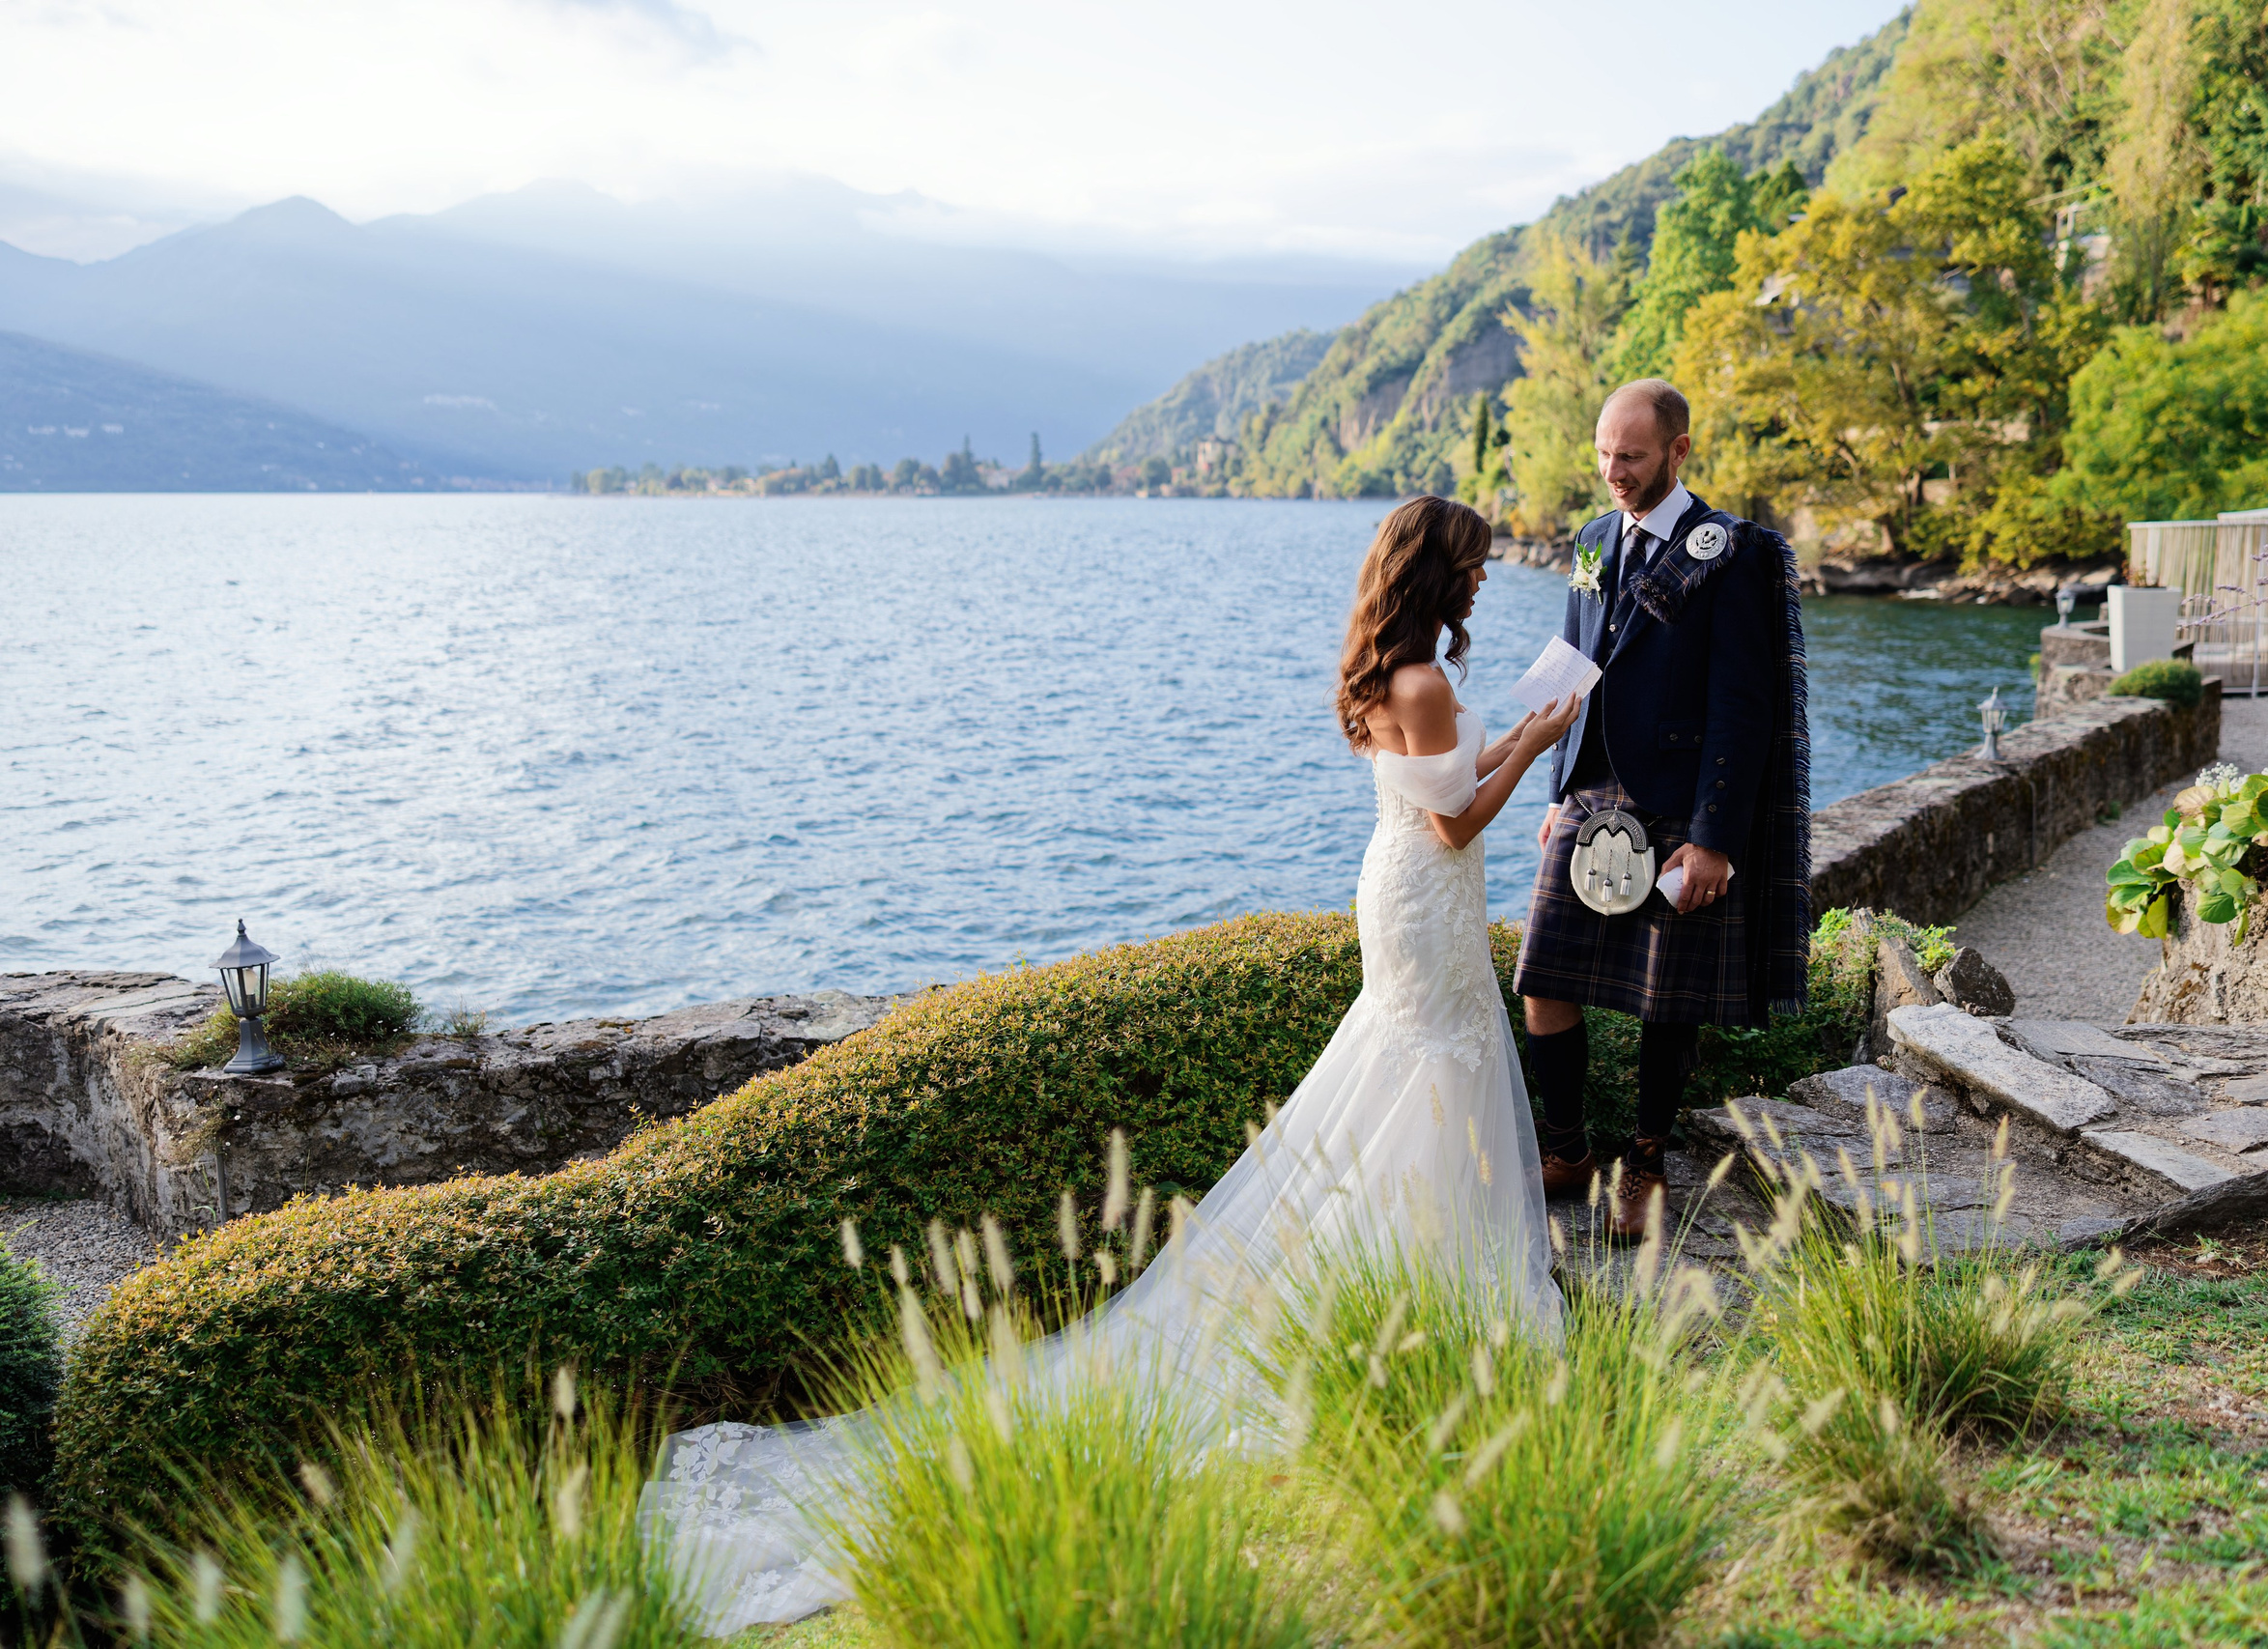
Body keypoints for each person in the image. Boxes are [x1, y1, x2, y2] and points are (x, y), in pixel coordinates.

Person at [641, 495, 1586, 1635]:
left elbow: (1434, 787)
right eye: (1475, 565)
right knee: (1433, 1072)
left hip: (1398, 898)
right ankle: (1433, 1292)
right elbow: (1455, 824)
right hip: (1426, 894)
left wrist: (1506, 735)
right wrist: (1533, 744)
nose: (1486, 579)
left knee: (1410, 1076)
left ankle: (1413, 1286)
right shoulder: (1424, 681)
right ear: (1438, 572)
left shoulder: (1396, 672)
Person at [1514, 379, 1812, 1240]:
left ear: (1678, 451)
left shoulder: (1731, 551)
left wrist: (1716, 837)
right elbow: (1574, 656)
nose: (1614, 470)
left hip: (1681, 800)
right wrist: (1556, 788)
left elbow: (1744, 703)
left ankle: (1645, 1163)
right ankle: (1568, 1150)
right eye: (1605, 452)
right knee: (1543, 979)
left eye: (1632, 456)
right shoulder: (1594, 538)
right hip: (1590, 788)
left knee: (1663, 996)